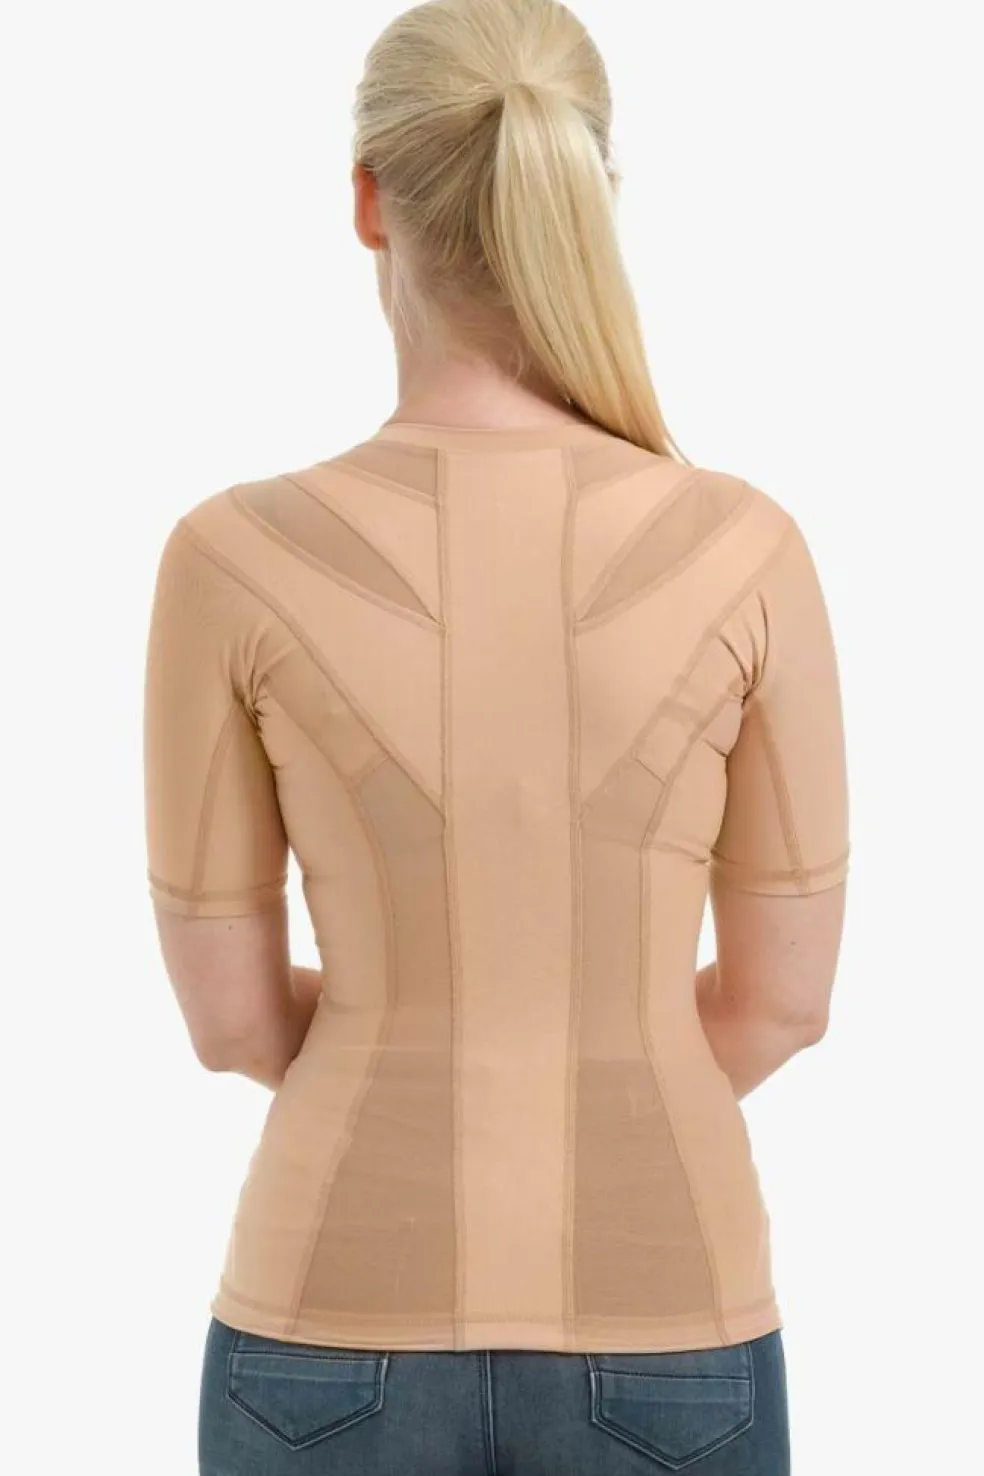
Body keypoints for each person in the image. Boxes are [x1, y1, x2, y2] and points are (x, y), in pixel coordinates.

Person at [143, 1, 849, 1471]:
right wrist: (597, 1069)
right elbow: (781, 1005)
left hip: (322, 1325)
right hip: (672, 1324)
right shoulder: (746, 547)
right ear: (591, 192)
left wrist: (415, 1058)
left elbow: (232, 1025)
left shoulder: (231, 557)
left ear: (367, 200)